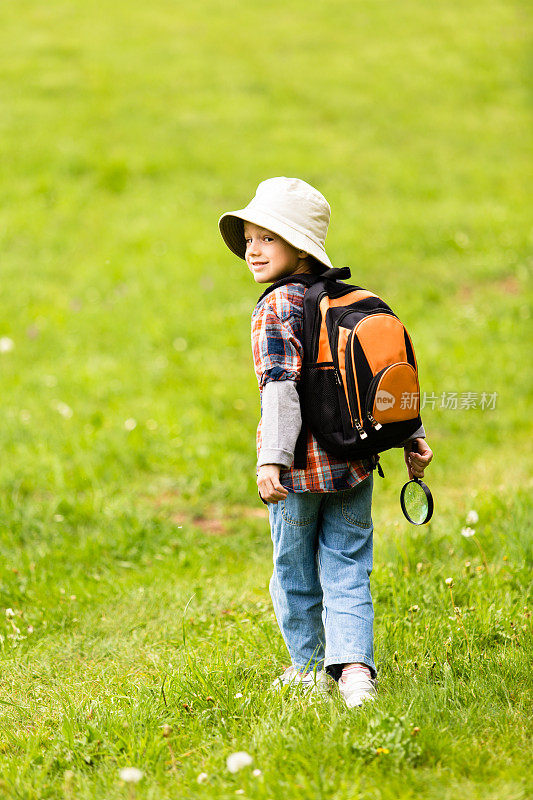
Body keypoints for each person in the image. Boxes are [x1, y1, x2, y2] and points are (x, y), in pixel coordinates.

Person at [219, 177, 433, 707]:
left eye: (267, 238)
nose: (252, 249)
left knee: (293, 572)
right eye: (249, 238)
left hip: (298, 473)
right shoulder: (356, 298)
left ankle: (312, 669)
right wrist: (413, 435)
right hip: (356, 463)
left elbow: (280, 389)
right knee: (348, 566)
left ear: (297, 246)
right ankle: (356, 670)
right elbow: (388, 375)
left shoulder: (276, 308)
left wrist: (272, 459)